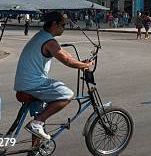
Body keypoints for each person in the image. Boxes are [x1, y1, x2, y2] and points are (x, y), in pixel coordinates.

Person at [14, 11, 92, 143]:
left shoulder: (42, 36)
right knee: (67, 95)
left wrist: (80, 63)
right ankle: (37, 123)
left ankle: (35, 147)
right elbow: (67, 60)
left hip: (25, 83)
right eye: (62, 24)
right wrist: (85, 66)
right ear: (54, 24)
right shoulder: (49, 41)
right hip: (33, 84)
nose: (64, 27)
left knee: (40, 116)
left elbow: (65, 54)